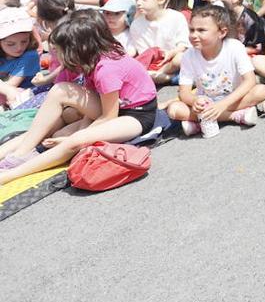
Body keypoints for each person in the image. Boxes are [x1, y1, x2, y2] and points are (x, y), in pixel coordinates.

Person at [0, 11, 158, 186]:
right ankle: (20, 154)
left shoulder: (107, 69)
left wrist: (75, 136)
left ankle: (12, 174)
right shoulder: (90, 58)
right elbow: (92, 108)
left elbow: (109, 117)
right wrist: (77, 128)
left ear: (77, 49)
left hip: (135, 114)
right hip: (111, 107)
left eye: (59, 51)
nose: (56, 56)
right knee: (50, 119)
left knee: (75, 142)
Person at [167, 5, 265, 137]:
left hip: (233, 99)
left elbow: (250, 81)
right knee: (174, 109)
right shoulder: (188, 55)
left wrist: (221, 105)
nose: (194, 35)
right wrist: (194, 101)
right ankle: (234, 116)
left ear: (222, 32)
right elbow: (184, 92)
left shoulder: (234, 47)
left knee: (261, 91)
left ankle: (201, 121)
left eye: (201, 30)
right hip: (206, 103)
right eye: (191, 30)